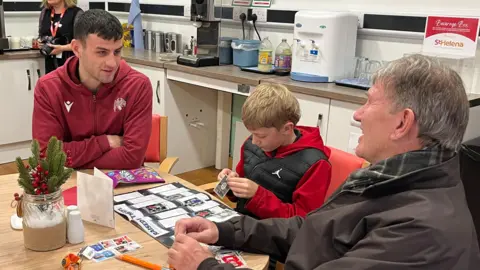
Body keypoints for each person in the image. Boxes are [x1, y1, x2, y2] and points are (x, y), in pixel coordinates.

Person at [168, 54, 480, 270]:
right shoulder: (389, 180)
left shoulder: (421, 234)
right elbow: (316, 228)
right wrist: (225, 231)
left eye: (369, 101)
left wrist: (204, 265)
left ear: (402, 124)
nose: (357, 114)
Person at [32, 9, 152, 170]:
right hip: (69, 184)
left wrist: (72, 159)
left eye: (117, 52)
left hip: (122, 186)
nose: (112, 63)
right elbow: (47, 157)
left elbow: (132, 158)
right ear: (76, 49)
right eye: (101, 52)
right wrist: (106, 142)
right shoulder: (48, 87)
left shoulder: (138, 85)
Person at [217, 83, 331, 219]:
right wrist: (231, 183)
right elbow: (239, 196)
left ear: (287, 129)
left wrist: (257, 195)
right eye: (252, 134)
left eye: (261, 136)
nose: (254, 141)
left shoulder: (315, 165)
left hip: (277, 234)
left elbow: (303, 220)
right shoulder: (253, 145)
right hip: (244, 222)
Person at [38, 0, 84, 74]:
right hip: (50, 64)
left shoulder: (76, 13)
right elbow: (41, 35)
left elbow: (83, 42)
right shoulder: (45, 13)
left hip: (71, 64)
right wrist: (41, 43)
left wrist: (62, 48)